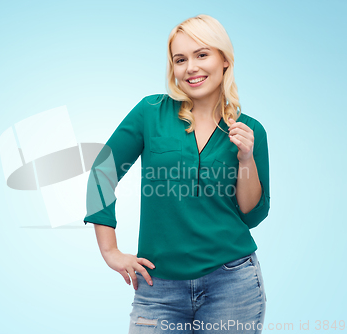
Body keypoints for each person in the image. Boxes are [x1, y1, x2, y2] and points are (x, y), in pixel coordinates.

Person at [84, 14, 269, 333]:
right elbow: (103, 171)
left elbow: (251, 215)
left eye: (202, 54)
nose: (191, 68)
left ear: (224, 60)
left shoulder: (249, 130)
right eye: (180, 59)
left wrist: (246, 158)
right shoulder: (150, 113)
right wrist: (110, 251)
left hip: (232, 284)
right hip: (158, 289)